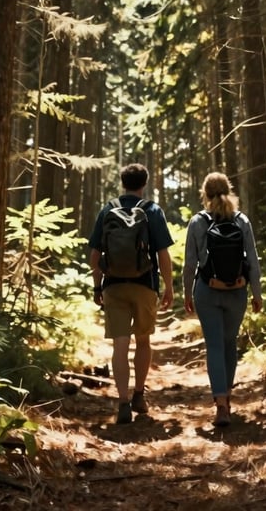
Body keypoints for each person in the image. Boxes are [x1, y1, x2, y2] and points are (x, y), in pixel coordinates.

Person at [88, 163, 174, 424]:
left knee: (120, 345)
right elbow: (162, 254)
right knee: (144, 341)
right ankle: (139, 394)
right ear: (143, 184)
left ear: (123, 183)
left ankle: (123, 401)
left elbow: (94, 255)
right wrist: (169, 286)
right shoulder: (152, 210)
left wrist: (97, 285)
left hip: (114, 285)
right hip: (145, 285)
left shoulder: (108, 210)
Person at [182, 172, 263, 427]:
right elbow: (252, 260)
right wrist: (257, 293)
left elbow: (190, 263)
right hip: (237, 291)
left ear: (204, 194)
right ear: (229, 190)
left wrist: (186, 292)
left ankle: (220, 406)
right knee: (229, 344)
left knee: (214, 345)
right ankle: (227, 396)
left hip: (207, 290)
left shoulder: (197, 222)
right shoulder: (242, 220)